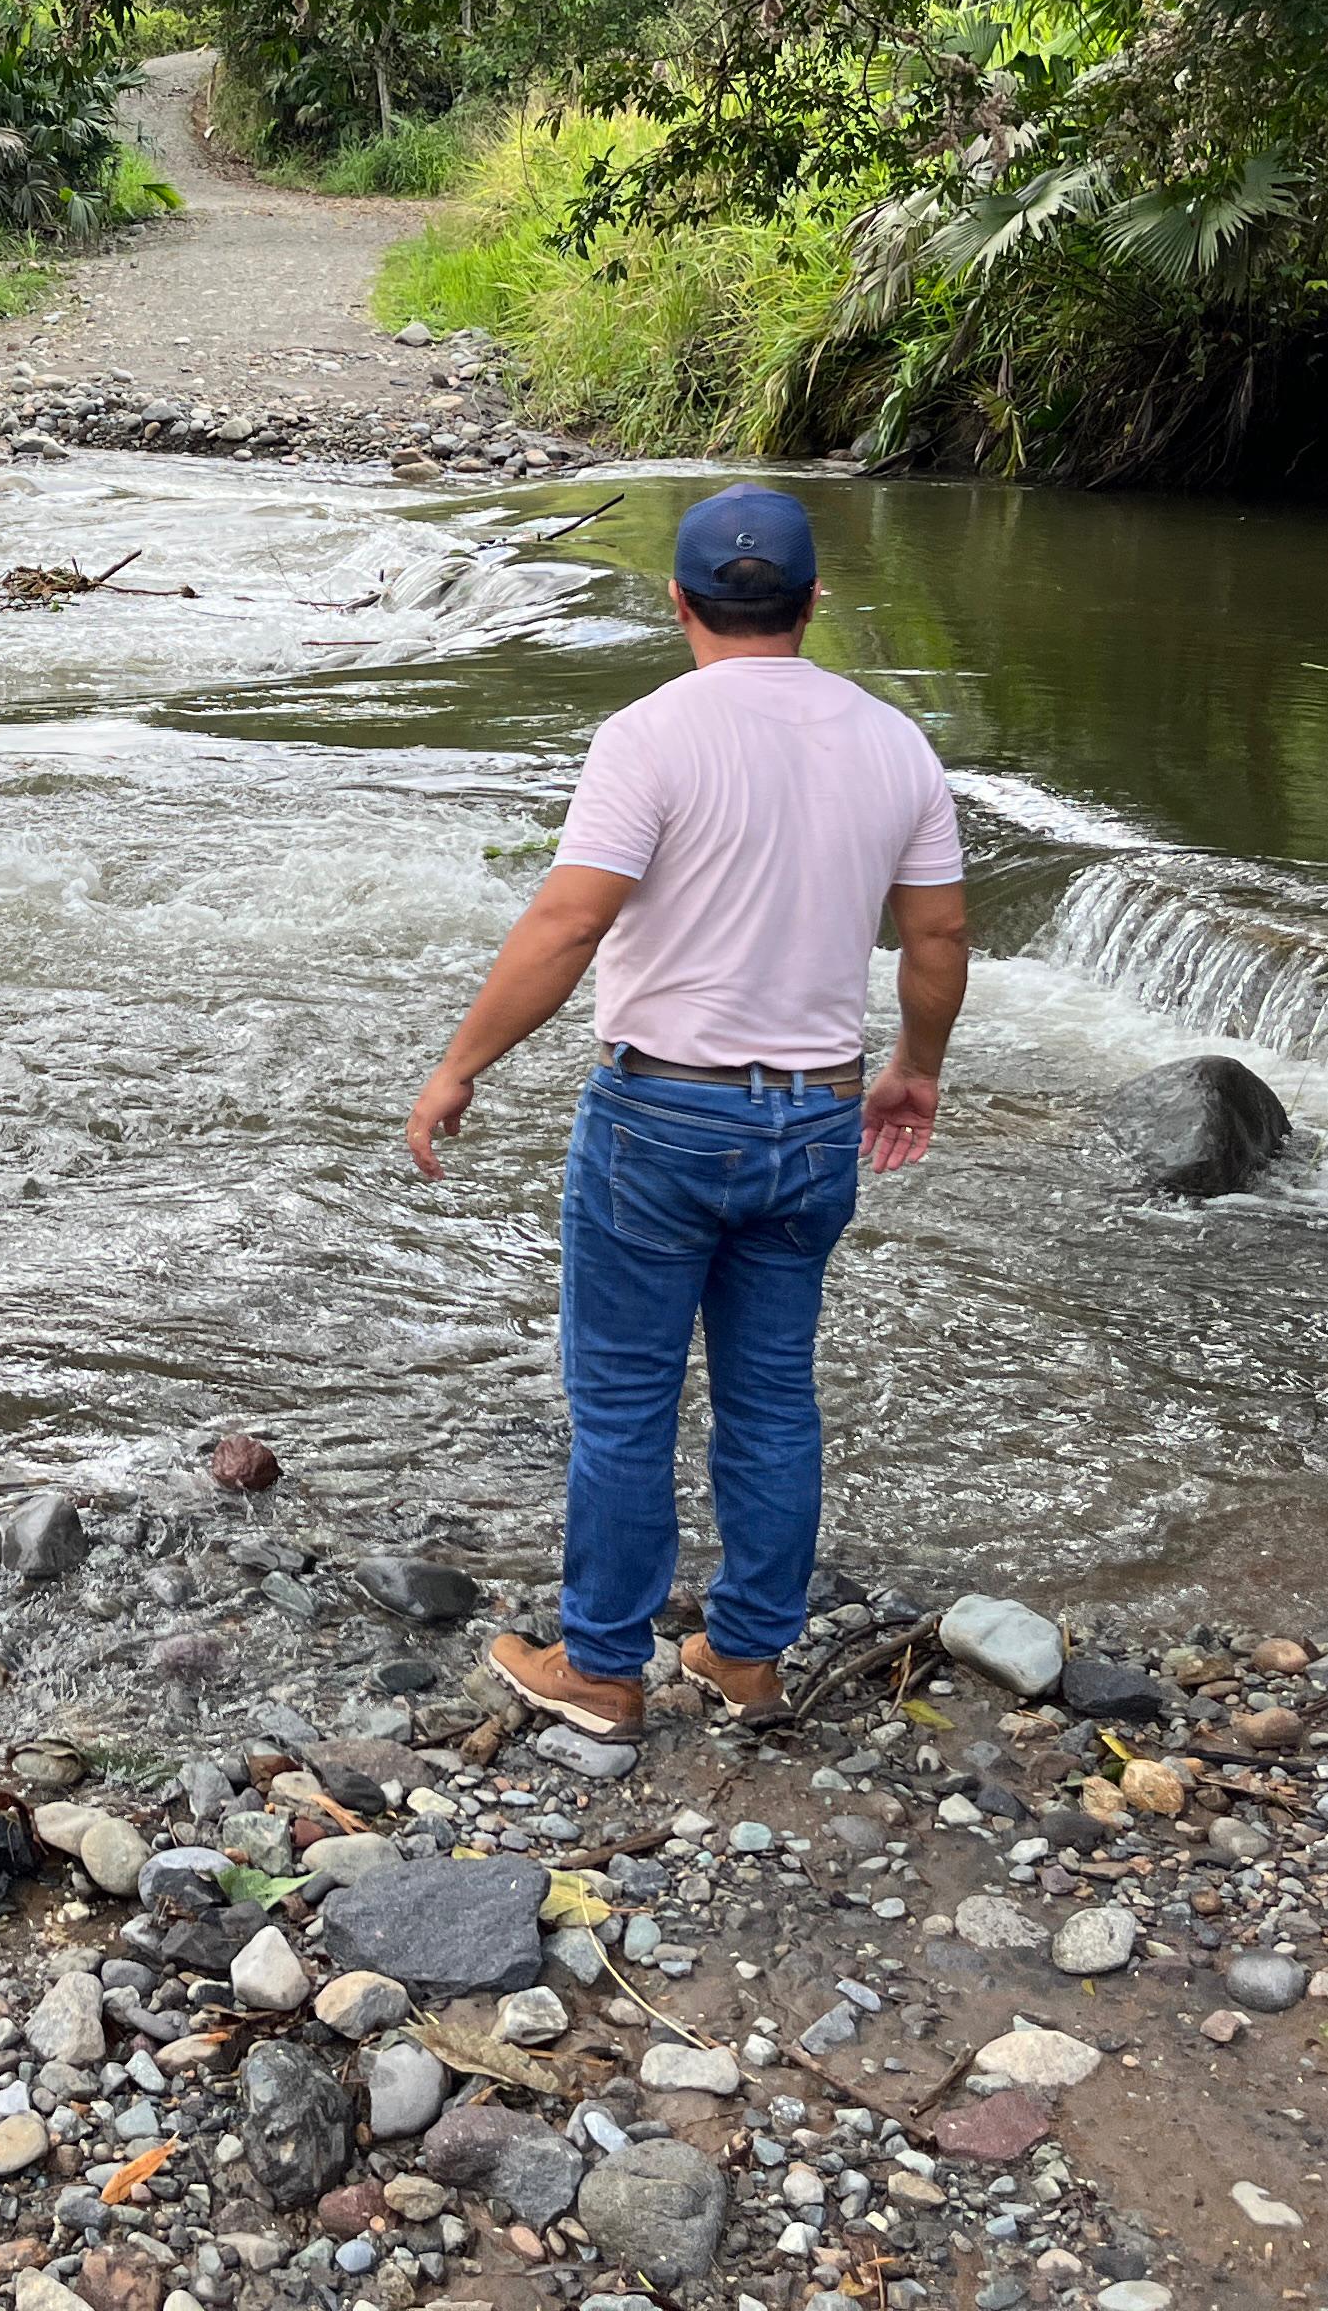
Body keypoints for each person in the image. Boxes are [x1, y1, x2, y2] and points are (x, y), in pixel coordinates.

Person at [403, 483, 969, 1727]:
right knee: (771, 1398)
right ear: (814, 602)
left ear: (679, 602)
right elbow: (936, 934)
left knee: (624, 1404)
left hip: (661, 1116)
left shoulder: (649, 735)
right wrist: (916, 1065)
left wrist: (461, 1065)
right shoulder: (897, 744)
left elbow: (571, 920)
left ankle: (603, 1669)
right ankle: (746, 1655)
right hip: (815, 1120)